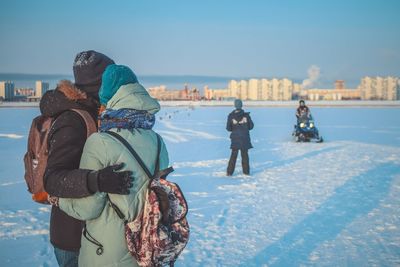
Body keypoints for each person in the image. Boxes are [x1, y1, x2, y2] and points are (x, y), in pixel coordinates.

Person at [56, 64, 169, 267]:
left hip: (107, 252)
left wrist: (58, 200)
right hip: (147, 247)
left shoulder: (100, 142)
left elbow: (87, 208)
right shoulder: (158, 141)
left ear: (107, 97)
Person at [40, 51, 133, 267]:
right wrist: (96, 180)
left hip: (97, 234)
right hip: (73, 238)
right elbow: (52, 179)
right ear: (100, 83)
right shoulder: (73, 119)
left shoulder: (98, 114)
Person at [226, 99, 254, 176]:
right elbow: (251, 126)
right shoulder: (246, 116)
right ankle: (246, 172)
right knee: (245, 155)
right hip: (245, 138)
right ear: (241, 105)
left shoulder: (231, 116)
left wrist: (234, 127)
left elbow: (228, 128)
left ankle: (229, 172)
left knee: (233, 156)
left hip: (235, 139)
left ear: (235, 105)